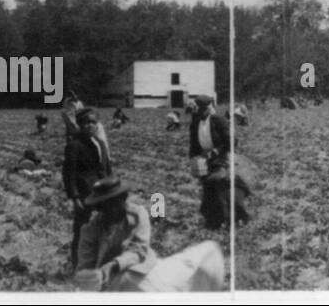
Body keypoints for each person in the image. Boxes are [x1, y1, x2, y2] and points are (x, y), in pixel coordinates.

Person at [73, 177, 227, 292]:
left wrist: (114, 265)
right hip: (108, 282)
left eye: (115, 203)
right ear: (100, 207)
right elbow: (84, 266)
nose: (112, 209)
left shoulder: (138, 214)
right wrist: (92, 276)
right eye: (106, 206)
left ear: (123, 199)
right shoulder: (90, 229)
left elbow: (138, 250)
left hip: (137, 269)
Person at [189, 95, 249, 229]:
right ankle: (213, 220)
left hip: (221, 158)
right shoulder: (195, 122)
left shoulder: (218, 121)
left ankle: (231, 219)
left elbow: (232, 142)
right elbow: (193, 142)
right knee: (208, 188)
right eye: (199, 109)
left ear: (209, 108)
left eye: (205, 109)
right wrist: (193, 158)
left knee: (221, 187)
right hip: (204, 160)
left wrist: (215, 152)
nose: (201, 112)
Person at [63, 108, 112, 269]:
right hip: (85, 194)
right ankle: (77, 266)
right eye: (86, 122)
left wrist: (112, 189)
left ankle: (97, 263)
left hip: (102, 193)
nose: (90, 126)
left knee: (103, 228)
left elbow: (107, 169)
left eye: (93, 122)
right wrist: (75, 197)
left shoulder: (101, 143)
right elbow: (68, 174)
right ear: (79, 124)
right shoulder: (74, 145)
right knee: (82, 230)